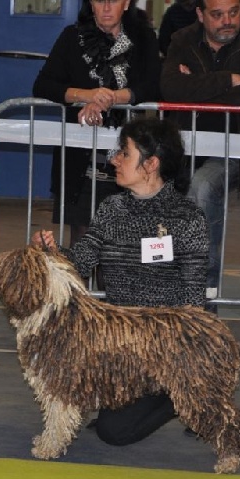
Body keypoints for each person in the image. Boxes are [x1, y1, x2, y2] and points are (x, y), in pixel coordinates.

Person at [32, 116, 209, 445]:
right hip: (118, 336)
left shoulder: (188, 217)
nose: (114, 160)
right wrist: (53, 253)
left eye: (124, 154)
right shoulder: (111, 209)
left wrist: (178, 359)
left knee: (114, 432)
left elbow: (193, 298)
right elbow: (82, 261)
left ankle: (181, 393)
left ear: (151, 163)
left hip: (165, 341)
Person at [160, 0, 240, 301]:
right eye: (217, 15)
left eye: (234, 12)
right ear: (200, 15)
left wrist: (197, 87)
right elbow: (169, 88)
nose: (228, 20)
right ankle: (172, 295)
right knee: (167, 213)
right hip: (187, 149)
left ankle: (205, 291)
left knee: (203, 186)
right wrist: (226, 80)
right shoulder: (182, 39)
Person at [33, 0, 161, 245]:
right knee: (83, 242)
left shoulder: (144, 38)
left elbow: (154, 85)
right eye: (99, 0)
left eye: (113, 0)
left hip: (129, 160)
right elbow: (44, 85)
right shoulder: (72, 37)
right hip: (81, 162)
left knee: (120, 246)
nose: (105, 7)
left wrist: (113, 98)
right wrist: (86, 95)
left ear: (126, 4)